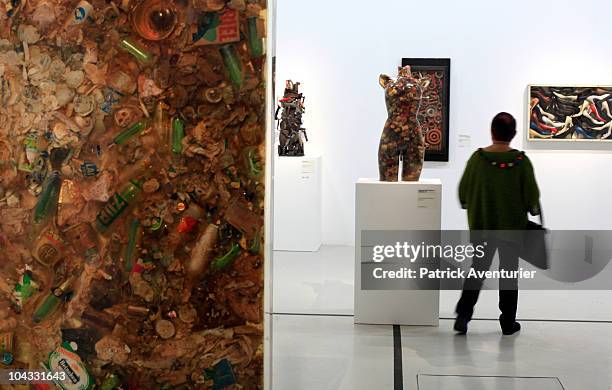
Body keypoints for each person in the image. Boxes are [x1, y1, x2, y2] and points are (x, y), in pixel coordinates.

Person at [455, 112, 540, 335]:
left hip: (483, 228)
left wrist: (472, 204)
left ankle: (463, 316)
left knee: (477, 270)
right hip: (512, 231)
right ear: (513, 134)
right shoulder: (520, 161)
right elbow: (532, 197)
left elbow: (463, 193)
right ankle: (508, 322)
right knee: (509, 274)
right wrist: (531, 208)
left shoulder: (478, 159)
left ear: (492, 132)